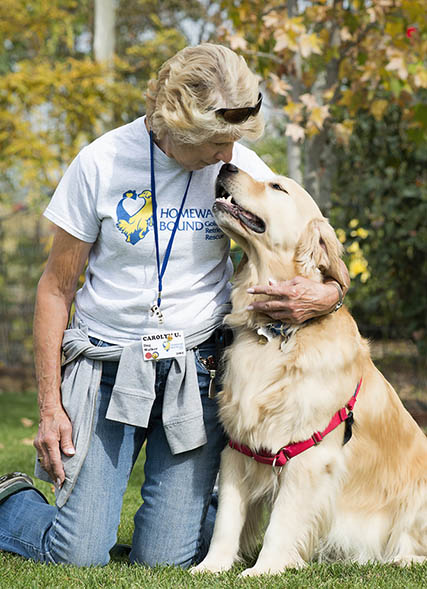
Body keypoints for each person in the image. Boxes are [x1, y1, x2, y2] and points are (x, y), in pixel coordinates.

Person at [0, 43, 348, 568]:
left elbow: (306, 246)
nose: (228, 156)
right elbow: (54, 289)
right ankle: (12, 498)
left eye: (233, 140)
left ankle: (198, 513)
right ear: (176, 122)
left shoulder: (238, 171)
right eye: (215, 140)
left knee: (164, 562)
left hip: (196, 369)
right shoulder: (101, 163)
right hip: (110, 367)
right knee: (76, 556)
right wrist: (51, 410)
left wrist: (327, 293)